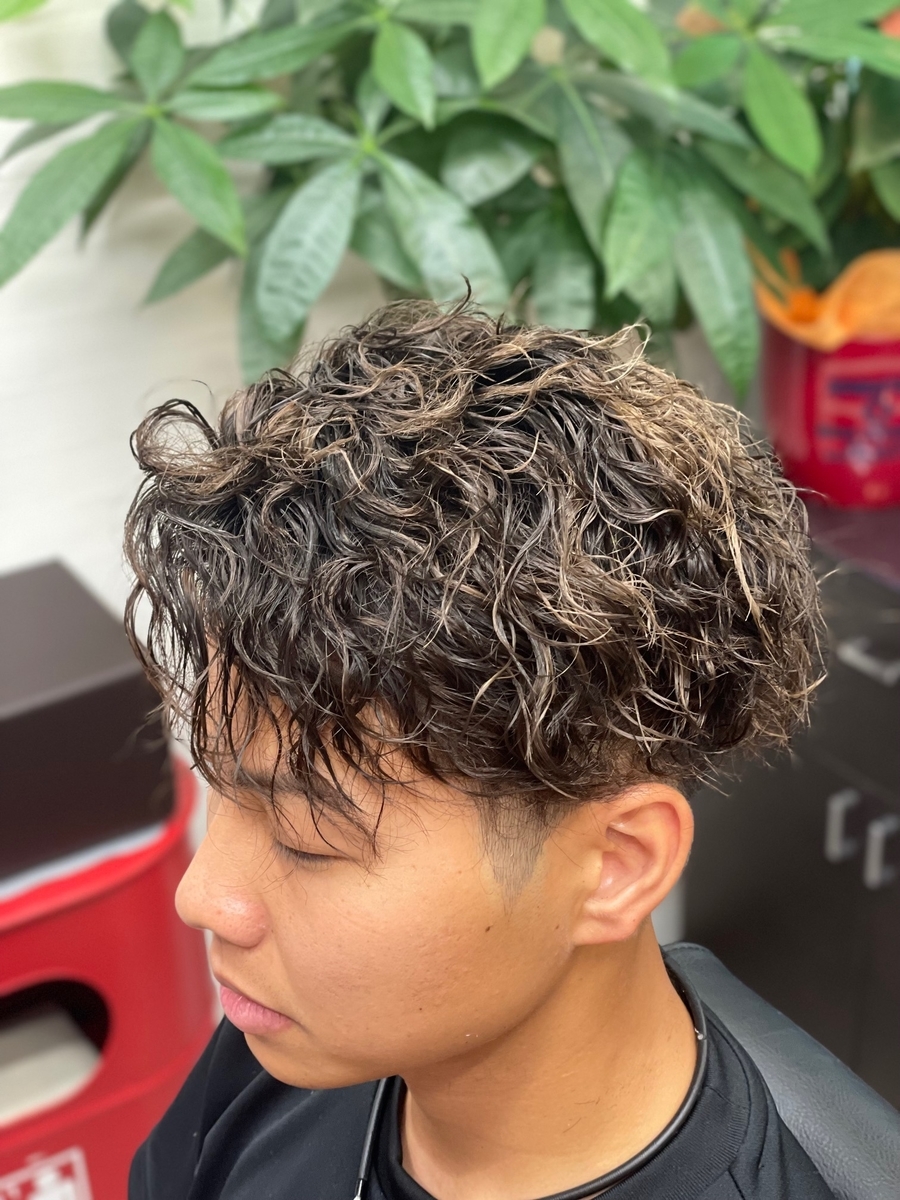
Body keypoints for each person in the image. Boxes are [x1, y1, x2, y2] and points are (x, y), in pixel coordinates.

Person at [124, 303, 832, 1200]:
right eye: (222, 787)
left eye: (305, 839)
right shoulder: (291, 1038)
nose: (203, 898)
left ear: (615, 865)